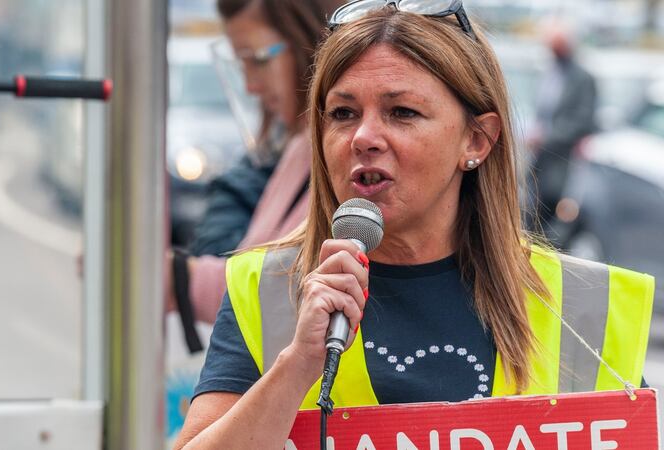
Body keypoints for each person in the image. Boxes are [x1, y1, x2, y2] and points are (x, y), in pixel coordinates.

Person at [174, 2, 654, 448]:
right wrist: (297, 365)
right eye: (342, 113)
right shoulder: (270, 289)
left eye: (401, 112)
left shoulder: (587, 302)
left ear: (478, 140)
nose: (364, 137)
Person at [169, 0, 346, 330]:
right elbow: (259, 273)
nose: (250, 85)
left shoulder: (347, 157)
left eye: (259, 60)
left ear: (314, 40)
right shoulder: (299, 147)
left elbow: (288, 293)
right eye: (241, 65)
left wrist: (182, 277)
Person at [526, 20, 597, 239]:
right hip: (540, 162)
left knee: (557, 227)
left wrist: (545, 137)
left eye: (556, 46)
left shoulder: (582, 78)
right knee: (532, 220)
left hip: (565, 164)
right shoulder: (550, 74)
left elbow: (582, 121)